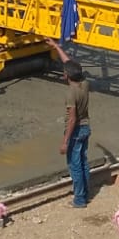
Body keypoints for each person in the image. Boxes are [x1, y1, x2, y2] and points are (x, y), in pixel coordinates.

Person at [45, 38, 91, 208]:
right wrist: (56, 47)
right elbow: (70, 63)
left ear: (66, 76)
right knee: (83, 162)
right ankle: (86, 193)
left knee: (75, 166)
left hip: (76, 131)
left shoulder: (71, 94)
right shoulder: (84, 84)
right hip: (86, 128)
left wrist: (65, 141)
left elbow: (72, 119)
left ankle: (79, 199)